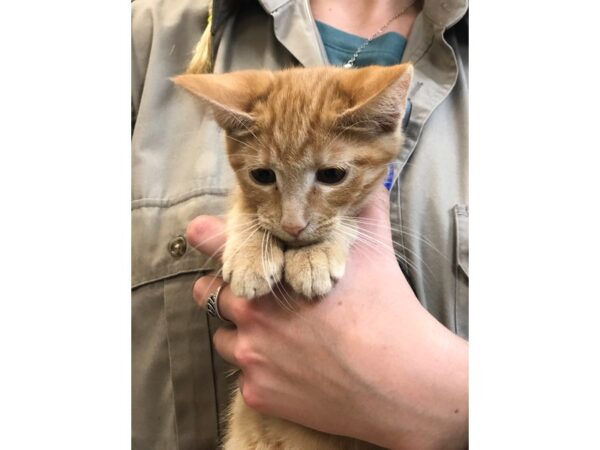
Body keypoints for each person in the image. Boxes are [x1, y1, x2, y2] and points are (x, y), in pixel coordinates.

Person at [131, 0, 468, 449]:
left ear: (388, 118)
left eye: (329, 175)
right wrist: (250, 224)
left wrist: (453, 406)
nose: (293, 222)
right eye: (264, 176)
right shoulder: (149, 30)